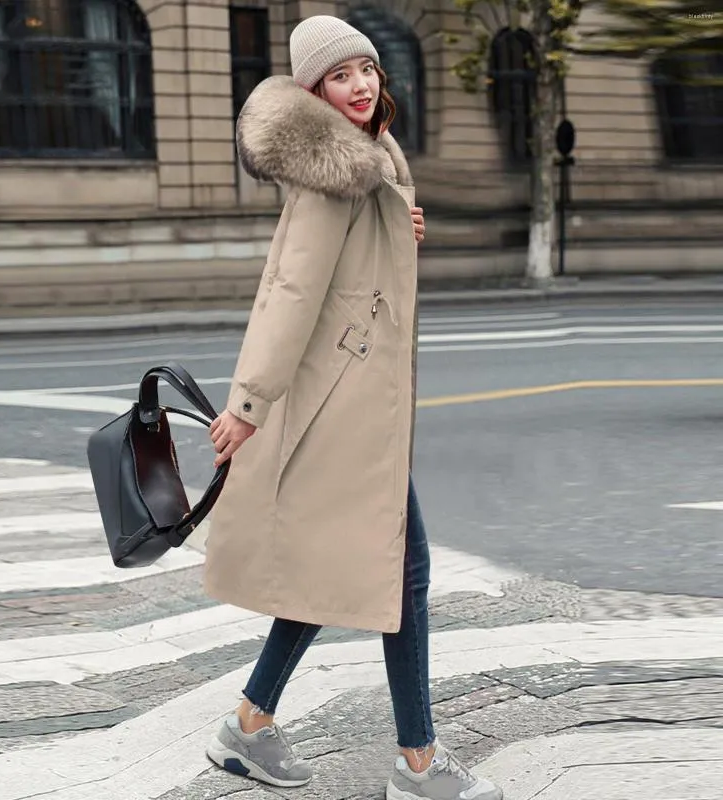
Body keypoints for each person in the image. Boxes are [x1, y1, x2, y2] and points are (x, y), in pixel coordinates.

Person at [203, 15, 503, 800]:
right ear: (314, 91)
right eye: (341, 76)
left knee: (350, 564)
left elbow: (345, 279)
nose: (362, 84)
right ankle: (419, 762)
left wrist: (398, 231)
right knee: (398, 570)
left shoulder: (364, 169)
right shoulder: (330, 175)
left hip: (349, 405)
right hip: (337, 411)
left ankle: (250, 723)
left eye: (367, 68)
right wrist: (247, 403)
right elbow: (291, 293)